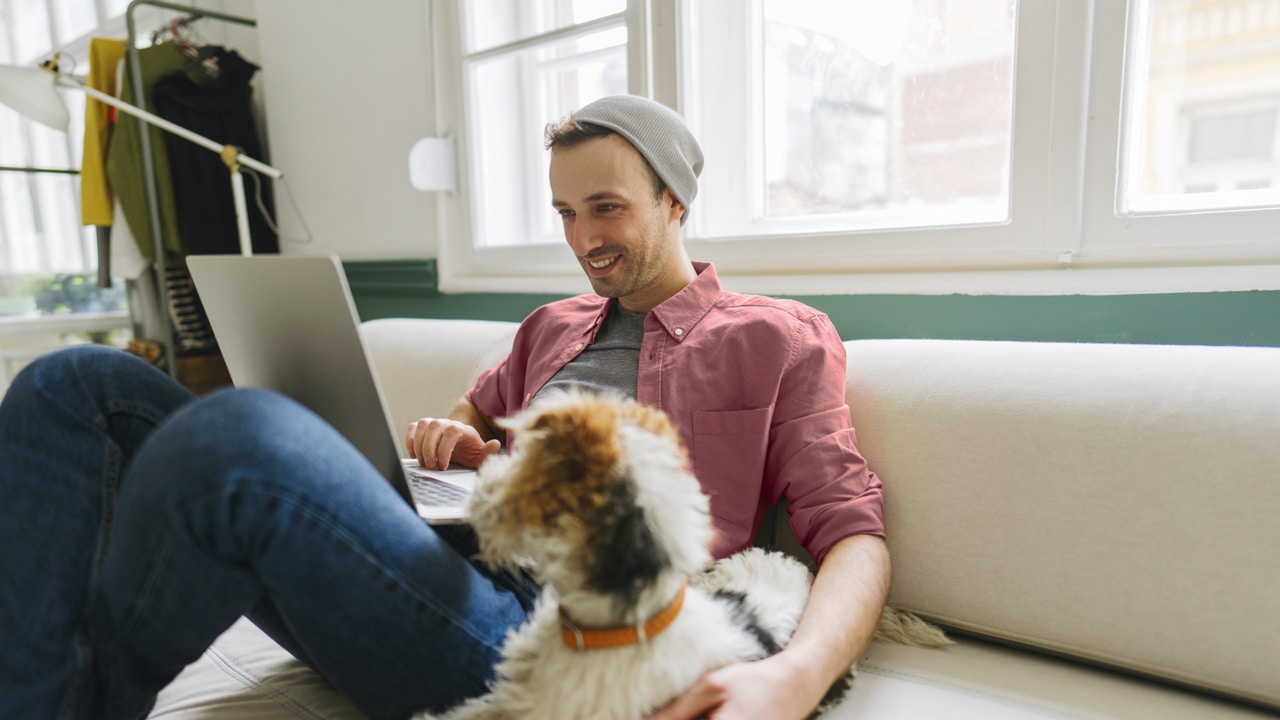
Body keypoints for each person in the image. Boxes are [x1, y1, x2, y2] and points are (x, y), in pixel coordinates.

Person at [0, 95, 887, 720]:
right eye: (566, 212)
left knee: (237, 434)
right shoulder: (552, 326)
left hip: (567, 633)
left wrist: (798, 678)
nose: (583, 240)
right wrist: (454, 434)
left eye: (607, 208)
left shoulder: (778, 336)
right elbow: (463, 424)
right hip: (436, 560)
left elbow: (853, 531)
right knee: (76, 381)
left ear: (675, 200)